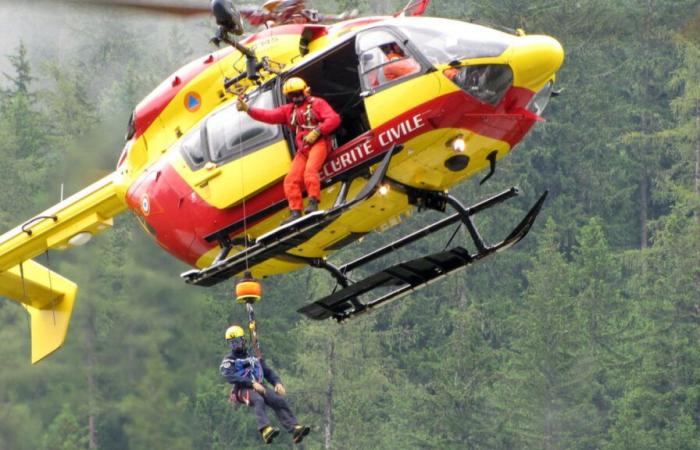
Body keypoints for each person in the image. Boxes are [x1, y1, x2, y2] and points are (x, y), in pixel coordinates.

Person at [237, 77, 341, 225]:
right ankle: (295, 212)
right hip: (304, 149)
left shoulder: (317, 103)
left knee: (310, 171)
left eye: (298, 93)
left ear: (305, 91)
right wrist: (248, 109)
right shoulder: (288, 111)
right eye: (292, 95)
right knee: (290, 180)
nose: (296, 97)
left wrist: (318, 131)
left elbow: (334, 119)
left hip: (320, 144)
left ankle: (313, 202)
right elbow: (269, 116)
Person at [220, 325, 310, 444]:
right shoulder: (229, 360)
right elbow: (229, 376)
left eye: (236, 342)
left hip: (260, 386)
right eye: (231, 344)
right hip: (241, 390)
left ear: (243, 340)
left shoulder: (253, 356)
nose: (235, 346)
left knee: (278, 400)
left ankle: (294, 429)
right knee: (258, 400)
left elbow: (267, 372)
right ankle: (265, 429)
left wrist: (277, 383)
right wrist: (251, 383)